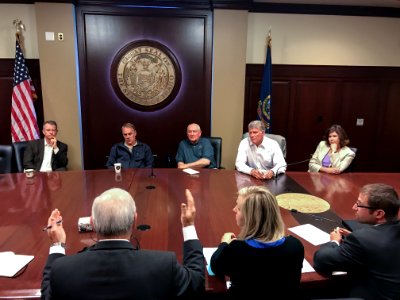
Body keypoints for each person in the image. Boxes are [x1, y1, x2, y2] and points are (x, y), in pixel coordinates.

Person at [41, 187, 205, 300]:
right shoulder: (163, 265)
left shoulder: (63, 269)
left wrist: (57, 245)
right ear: (135, 220)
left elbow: (48, 295)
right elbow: (196, 283)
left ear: (92, 223)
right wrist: (189, 226)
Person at [210, 186, 304, 299]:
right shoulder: (295, 246)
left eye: (239, 208)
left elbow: (215, 264)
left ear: (251, 218)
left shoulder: (237, 250)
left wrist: (224, 244)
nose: (234, 209)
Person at [313, 183, 400, 300]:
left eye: (359, 204)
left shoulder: (363, 239)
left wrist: (334, 241)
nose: (354, 207)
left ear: (379, 213)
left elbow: (321, 260)